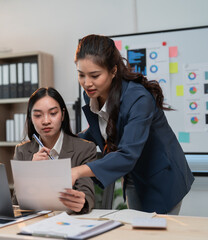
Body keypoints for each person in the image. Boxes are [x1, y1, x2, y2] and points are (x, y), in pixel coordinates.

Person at [72, 34, 194, 214]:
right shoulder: (92, 93)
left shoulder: (138, 98)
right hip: (134, 175)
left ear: (113, 71)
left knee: (155, 233)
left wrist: (77, 171)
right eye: (81, 75)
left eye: (95, 75)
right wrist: (66, 141)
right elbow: (100, 130)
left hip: (162, 177)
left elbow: (128, 154)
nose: (87, 83)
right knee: (136, 228)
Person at [12, 87, 97, 214]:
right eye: (38, 115)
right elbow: (16, 202)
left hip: (70, 222)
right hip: (34, 223)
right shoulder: (22, 151)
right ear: (30, 118)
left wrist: (81, 201)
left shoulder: (85, 149)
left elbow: (86, 193)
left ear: (62, 115)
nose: (46, 121)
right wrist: (31, 170)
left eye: (53, 113)